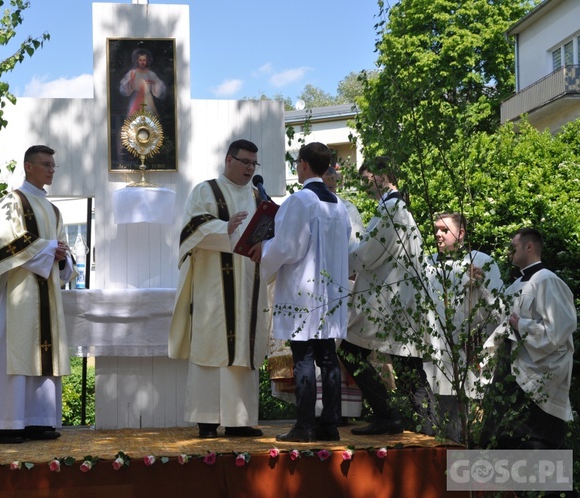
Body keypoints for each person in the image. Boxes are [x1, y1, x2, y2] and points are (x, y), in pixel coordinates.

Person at [0, 145, 76, 444]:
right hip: (17, 294)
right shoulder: (11, 201)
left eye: (54, 165)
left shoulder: (54, 210)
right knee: (13, 352)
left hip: (46, 294)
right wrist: (47, 249)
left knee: (42, 353)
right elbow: (2, 243)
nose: (52, 169)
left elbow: (63, 252)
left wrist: (62, 256)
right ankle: (7, 421)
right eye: (46, 164)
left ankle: (40, 420)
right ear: (29, 167)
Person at [169, 139, 270, 439]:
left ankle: (239, 421)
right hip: (214, 287)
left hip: (247, 285)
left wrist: (265, 244)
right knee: (211, 346)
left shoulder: (257, 196)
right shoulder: (206, 190)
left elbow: (268, 234)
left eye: (254, 163)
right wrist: (222, 228)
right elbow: (189, 231)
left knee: (243, 349)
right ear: (229, 161)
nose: (250, 168)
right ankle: (207, 421)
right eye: (245, 162)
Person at [261, 143, 351, 442]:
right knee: (327, 355)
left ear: (302, 165)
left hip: (303, 290)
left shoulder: (300, 201)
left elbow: (287, 247)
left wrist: (262, 253)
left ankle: (304, 425)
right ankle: (329, 425)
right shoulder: (339, 205)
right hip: (331, 290)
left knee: (303, 356)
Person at [339, 156, 435, 436]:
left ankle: (388, 414)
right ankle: (425, 426)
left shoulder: (392, 207)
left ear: (382, 176)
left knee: (350, 350)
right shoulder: (397, 206)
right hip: (398, 297)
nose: (366, 186)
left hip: (388, 299)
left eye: (367, 179)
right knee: (407, 362)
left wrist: (338, 265)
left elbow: (369, 251)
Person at [480, 228, 576, 449]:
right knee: (503, 438)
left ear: (529, 246)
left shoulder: (548, 280)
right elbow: (503, 316)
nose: (509, 252)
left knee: (534, 441)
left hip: (535, 374)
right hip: (512, 370)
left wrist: (521, 324)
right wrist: (483, 287)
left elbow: (558, 330)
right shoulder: (517, 284)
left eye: (513, 247)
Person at [425, 212, 503, 442]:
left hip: (464, 353)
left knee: (456, 427)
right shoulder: (427, 262)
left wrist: (476, 284)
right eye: (436, 229)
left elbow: (496, 310)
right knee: (426, 424)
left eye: (444, 230)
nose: (438, 234)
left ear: (460, 234)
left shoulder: (480, 260)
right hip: (429, 355)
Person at [322, 166, 365, 250]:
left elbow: (356, 243)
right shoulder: (310, 207)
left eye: (331, 187)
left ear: (336, 185)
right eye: (324, 188)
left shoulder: (349, 208)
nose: (327, 192)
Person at [119, 48, 166, 117]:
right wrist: (130, 82)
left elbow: (160, 87)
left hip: (148, 101)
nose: (142, 62)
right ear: (137, 61)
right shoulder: (132, 73)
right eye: (140, 60)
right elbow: (124, 88)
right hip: (135, 100)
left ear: (147, 61)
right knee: (134, 120)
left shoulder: (151, 74)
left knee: (149, 120)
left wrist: (153, 83)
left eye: (144, 60)